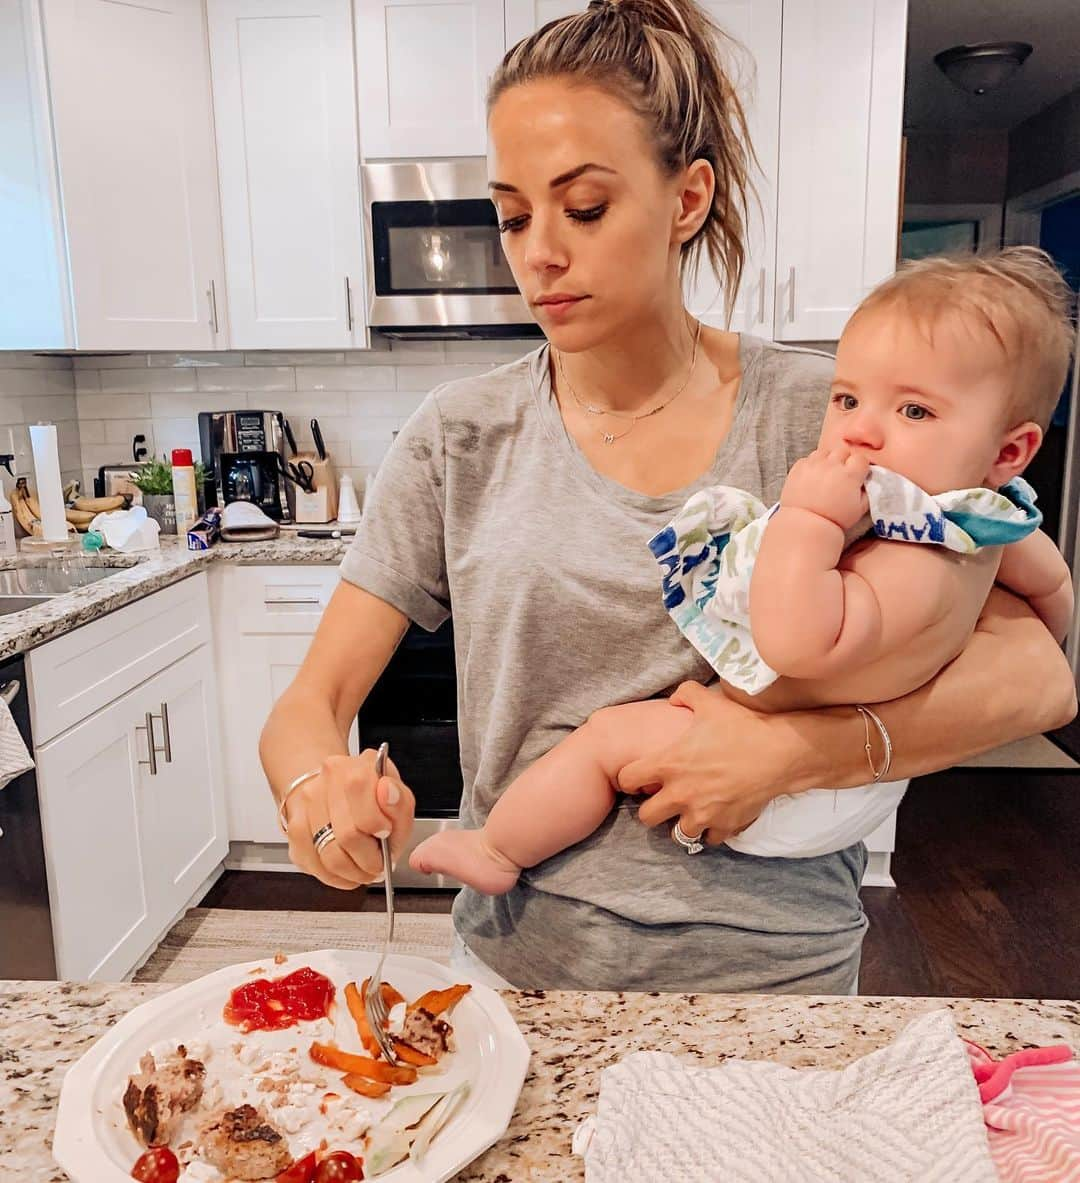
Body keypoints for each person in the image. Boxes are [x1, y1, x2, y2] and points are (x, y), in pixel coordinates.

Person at [260, 0, 1077, 994]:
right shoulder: (458, 434)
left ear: (687, 199)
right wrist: (316, 792)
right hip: (520, 975)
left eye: (586, 208)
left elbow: (1037, 677)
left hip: (771, 983)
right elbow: (312, 703)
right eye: (513, 215)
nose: (539, 253)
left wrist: (784, 755)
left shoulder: (833, 418)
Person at [407, 248, 1075, 894]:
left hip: (795, 789)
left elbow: (792, 641)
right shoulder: (987, 526)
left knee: (606, 741)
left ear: (1009, 448)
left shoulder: (915, 565)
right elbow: (1050, 595)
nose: (859, 431)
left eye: (914, 411)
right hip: (838, 773)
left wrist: (810, 521)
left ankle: (498, 847)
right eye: (846, 400)